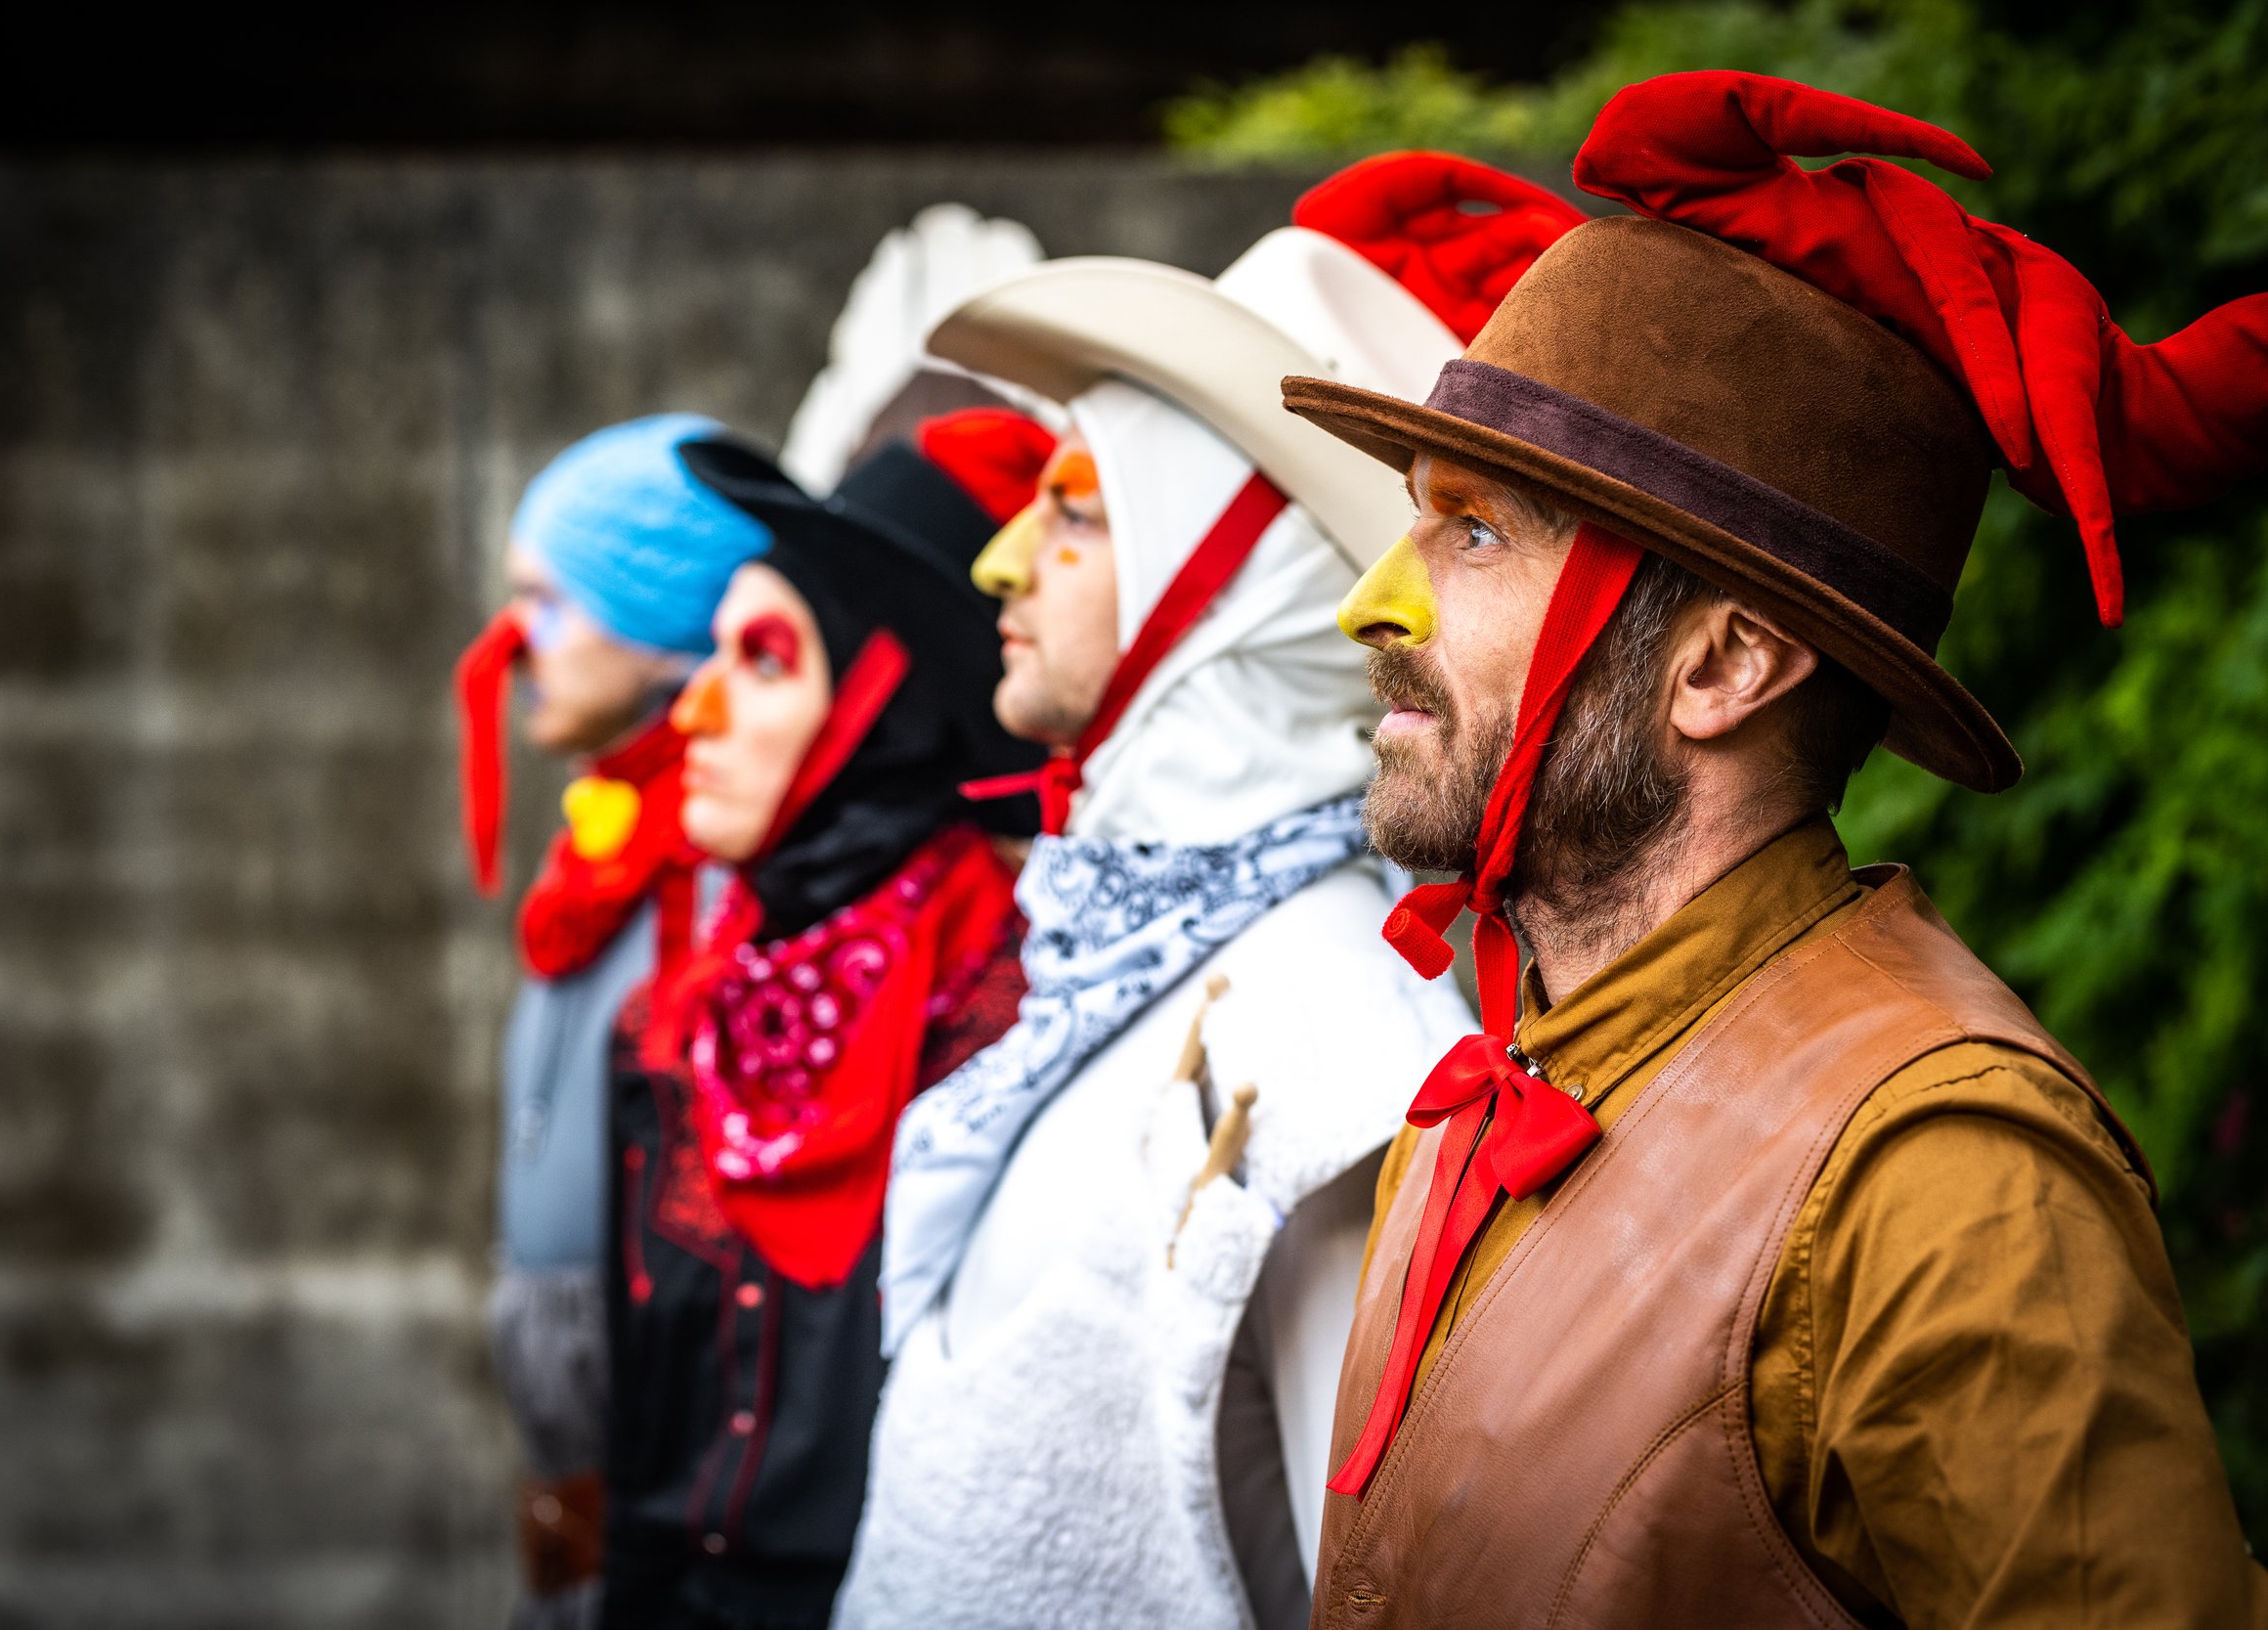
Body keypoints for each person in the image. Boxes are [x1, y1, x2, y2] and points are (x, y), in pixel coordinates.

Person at [1281, 71, 2268, 1628]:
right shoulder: (1507, 1069)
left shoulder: (1942, 1178)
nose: (1371, 604)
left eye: (1473, 531)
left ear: (1724, 667)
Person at [838, 156, 1581, 1630]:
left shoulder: (1333, 1044)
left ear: (1233, 578)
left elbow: (1364, 1583)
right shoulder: (1126, 961)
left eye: (1076, 510)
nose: (998, 560)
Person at [599, 409, 1055, 1629]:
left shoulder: (1015, 1021)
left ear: (880, 706)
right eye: (712, 654)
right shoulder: (665, 1021)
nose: (688, 712)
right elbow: (641, 1406)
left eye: (761, 660)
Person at [453, 415, 770, 1630]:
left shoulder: (722, 875)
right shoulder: (605, 850)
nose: (513, 644)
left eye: (547, 598)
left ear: (656, 617)